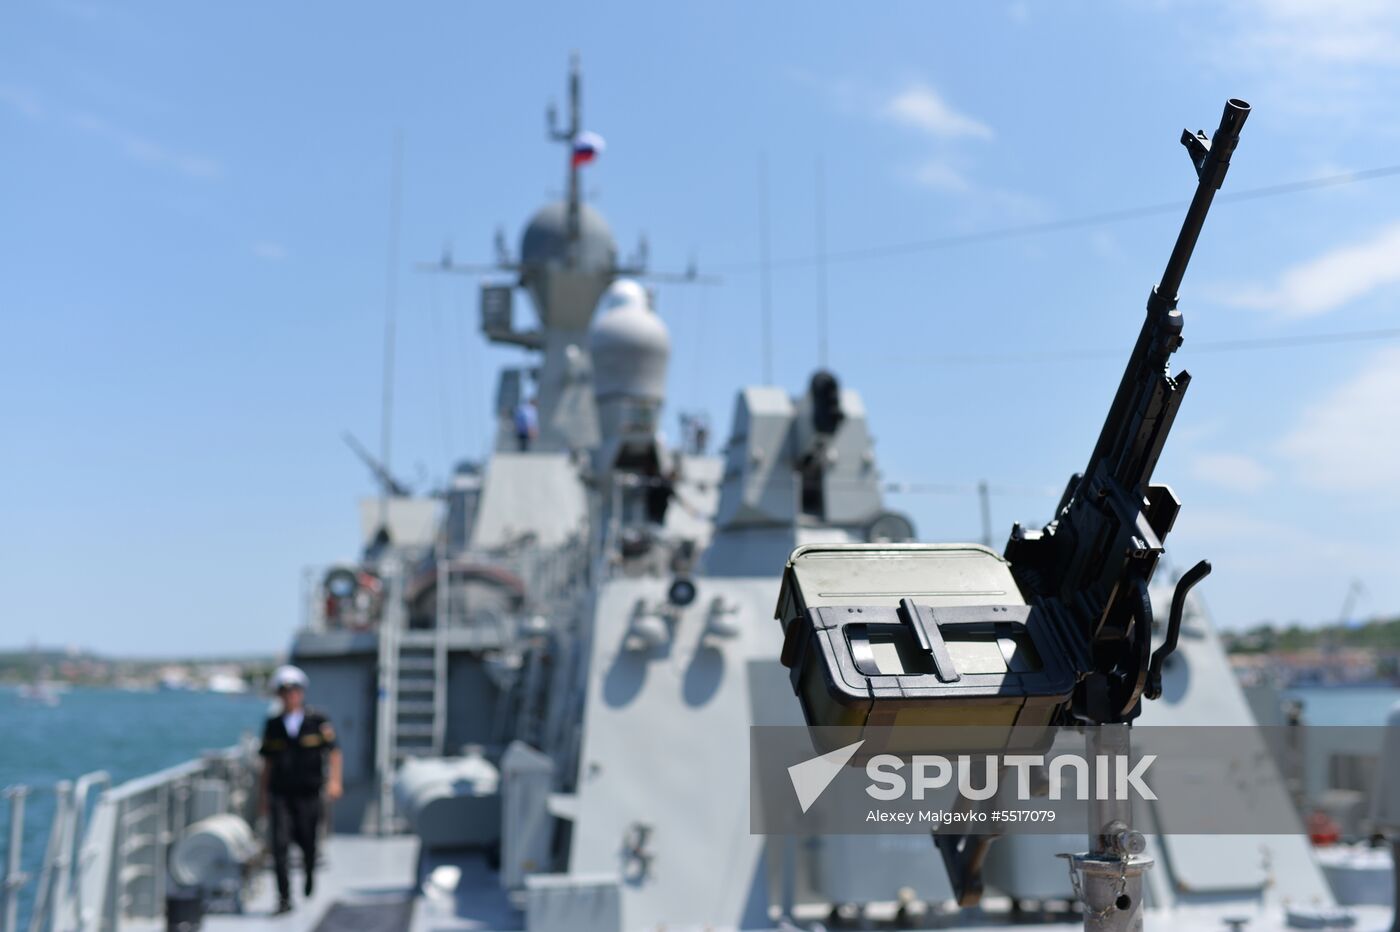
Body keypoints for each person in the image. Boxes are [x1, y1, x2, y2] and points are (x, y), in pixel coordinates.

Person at [259, 665, 342, 915]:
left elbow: (334, 752)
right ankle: (284, 899)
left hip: (309, 792)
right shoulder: (273, 725)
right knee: (280, 845)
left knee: (308, 841)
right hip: (281, 794)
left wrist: (335, 781)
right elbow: (268, 763)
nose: (290, 695)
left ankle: (309, 874)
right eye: (284, 691)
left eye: (294, 690)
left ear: (301, 692)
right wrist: (263, 797)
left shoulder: (318, 721)